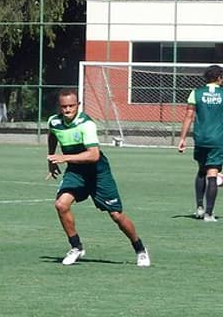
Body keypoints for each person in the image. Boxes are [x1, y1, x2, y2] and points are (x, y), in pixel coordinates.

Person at [46, 89, 150, 267]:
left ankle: (140, 249)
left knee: (116, 215)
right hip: (75, 172)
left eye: (71, 106)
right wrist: (51, 158)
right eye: (64, 106)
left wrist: (65, 158)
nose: (67, 110)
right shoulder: (54, 121)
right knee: (61, 205)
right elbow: (52, 135)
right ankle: (76, 247)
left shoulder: (86, 124)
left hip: (98, 173)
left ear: (78, 106)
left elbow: (93, 155)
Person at [177, 65, 223, 222]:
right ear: (219, 78)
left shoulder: (196, 93)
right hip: (217, 139)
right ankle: (209, 214)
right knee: (212, 173)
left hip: (200, 138)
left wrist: (182, 138)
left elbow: (189, 116)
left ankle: (199, 207)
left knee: (201, 170)